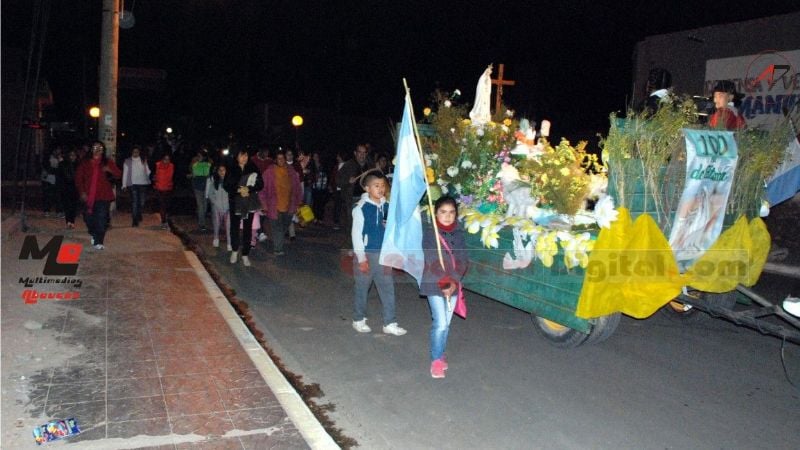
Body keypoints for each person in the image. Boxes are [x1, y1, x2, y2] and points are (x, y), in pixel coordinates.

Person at [351, 172, 406, 336]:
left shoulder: (388, 207)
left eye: (383, 185)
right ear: (367, 188)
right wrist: (361, 258)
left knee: (388, 288)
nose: (381, 189)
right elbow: (356, 235)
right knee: (362, 288)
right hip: (367, 254)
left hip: (384, 255)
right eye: (376, 186)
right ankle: (358, 319)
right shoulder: (361, 208)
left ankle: (390, 322)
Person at [420, 196, 469, 378]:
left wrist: (454, 280)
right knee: (440, 323)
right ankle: (436, 360)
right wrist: (444, 281)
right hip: (434, 283)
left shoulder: (459, 233)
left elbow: (464, 260)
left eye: (451, 212)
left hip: (453, 284)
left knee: (446, 324)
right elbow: (432, 259)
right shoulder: (430, 233)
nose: (447, 216)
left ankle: (440, 352)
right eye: (443, 212)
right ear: (435, 214)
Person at [75, 141, 122, 250]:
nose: (97, 149)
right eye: (95, 147)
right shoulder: (85, 162)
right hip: (88, 195)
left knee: (101, 219)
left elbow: (119, 174)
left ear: (103, 150)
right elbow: (78, 178)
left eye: (100, 147)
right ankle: (93, 233)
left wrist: (109, 170)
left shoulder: (107, 162)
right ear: (91, 149)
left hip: (103, 196)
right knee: (88, 218)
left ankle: (99, 241)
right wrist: (82, 192)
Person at [225, 149, 263, 266]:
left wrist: (249, 189)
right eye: (241, 155)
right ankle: (235, 251)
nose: (244, 158)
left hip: (249, 201)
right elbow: (226, 185)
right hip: (235, 201)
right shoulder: (232, 168)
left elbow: (260, 184)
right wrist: (238, 190)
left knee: (248, 228)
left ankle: (245, 254)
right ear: (237, 157)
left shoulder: (253, 167)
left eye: (246, 155)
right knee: (234, 227)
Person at [260, 149, 302, 256]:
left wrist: (298, 203)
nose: (281, 160)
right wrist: (264, 204)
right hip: (274, 205)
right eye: (278, 158)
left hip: (289, 205)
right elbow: (262, 190)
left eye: (282, 158)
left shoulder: (291, 172)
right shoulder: (269, 172)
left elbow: (297, 188)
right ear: (275, 160)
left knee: (284, 226)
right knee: (277, 227)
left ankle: (279, 241)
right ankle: (278, 248)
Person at [337, 144, 372, 230]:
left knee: (366, 222)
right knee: (354, 223)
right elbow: (337, 181)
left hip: (368, 198)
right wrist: (347, 181)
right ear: (355, 153)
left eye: (364, 153)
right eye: (360, 152)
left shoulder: (370, 166)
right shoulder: (348, 165)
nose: (362, 155)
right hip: (353, 198)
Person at [121, 145, 152, 227]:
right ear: (131, 152)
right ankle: (134, 220)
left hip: (143, 184)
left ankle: (139, 213)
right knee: (134, 202)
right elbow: (125, 174)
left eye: (137, 152)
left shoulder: (143, 160)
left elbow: (148, 172)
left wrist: (146, 166)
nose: (135, 153)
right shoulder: (127, 161)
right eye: (134, 152)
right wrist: (124, 185)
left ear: (139, 152)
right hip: (133, 184)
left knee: (142, 202)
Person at [206, 164, 232, 251]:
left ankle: (229, 243)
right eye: (220, 170)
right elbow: (210, 194)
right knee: (217, 224)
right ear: (217, 172)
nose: (222, 172)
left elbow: (233, 194)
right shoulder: (214, 183)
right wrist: (215, 203)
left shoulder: (230, 182)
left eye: (223, 170)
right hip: (217, 207)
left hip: (228, 208)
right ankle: (216, 238)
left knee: (228, 226)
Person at [189, 148, 212, 231]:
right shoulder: (195, 163)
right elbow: (192, 172)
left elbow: (210, 174)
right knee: (201, 205)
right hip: (197, 186)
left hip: (206, 187)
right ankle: (201, 224)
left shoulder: (209, 163)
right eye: (198, 155)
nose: (199, 157)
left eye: (200, 156)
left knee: (205, 205)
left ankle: (201, 219)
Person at [57, 149, 80, 229]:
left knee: (74, 205)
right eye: (71, 155)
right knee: (67, 205)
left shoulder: (78, 164)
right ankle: (68, 221)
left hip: (75, 188)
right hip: (66, 187)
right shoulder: (63, 164)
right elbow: (61, 177)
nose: (72, 157)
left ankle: (72, 221)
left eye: (74, 155)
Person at [153, 153, 175, 229]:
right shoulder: (157, 165)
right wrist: (154, 179)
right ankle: (163, 221)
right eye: (165, 159)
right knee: (162, 205)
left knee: (167, 205)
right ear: (162, 159)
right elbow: (153, 175)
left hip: (168, 189)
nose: (167, 161)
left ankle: (166, 220)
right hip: (159, 188)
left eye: (168, 159)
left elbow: (174, 177)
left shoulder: (172, 166)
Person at [310, 151, 330, 224]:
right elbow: (310, 175)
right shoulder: (312, 166)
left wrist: (328, 185)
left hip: (323, 186)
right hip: (315, 186)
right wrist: (313, 177)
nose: (315, 158)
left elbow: (327, 174)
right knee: (315, 203)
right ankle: (315, 218)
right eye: (314, 156)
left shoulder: (323, 165)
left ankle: (320, 218)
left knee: (321, 203)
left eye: (317, 156)